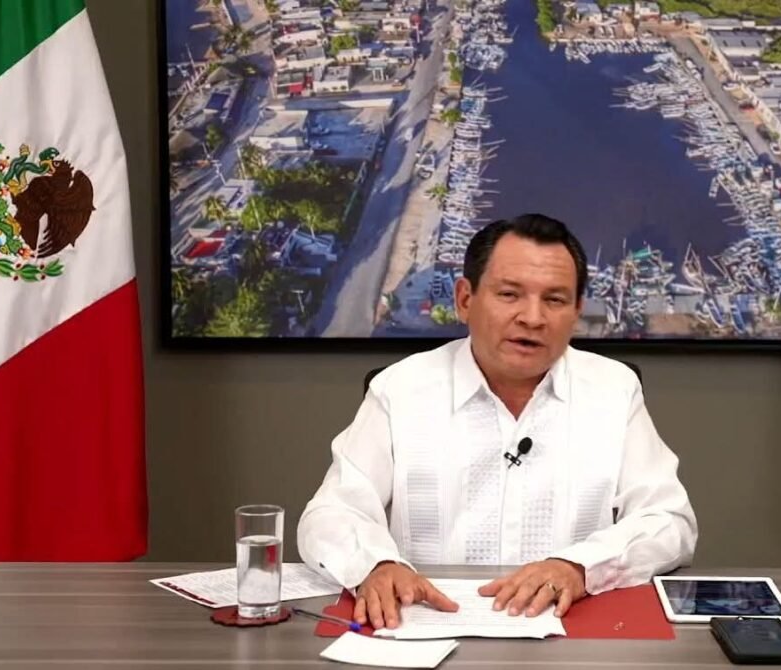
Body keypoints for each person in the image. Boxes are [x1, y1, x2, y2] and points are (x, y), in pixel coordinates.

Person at [298, 214, 697, 630]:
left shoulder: (614, 390)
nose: (533, 318)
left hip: (569, 634)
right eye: (509, 294)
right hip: (425, 629)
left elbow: (670, 521)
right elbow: (331, 513)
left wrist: (580, 566)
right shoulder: (399, 389)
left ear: (577, 311)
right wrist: (376, 565)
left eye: (555, 300)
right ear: (465, 299)